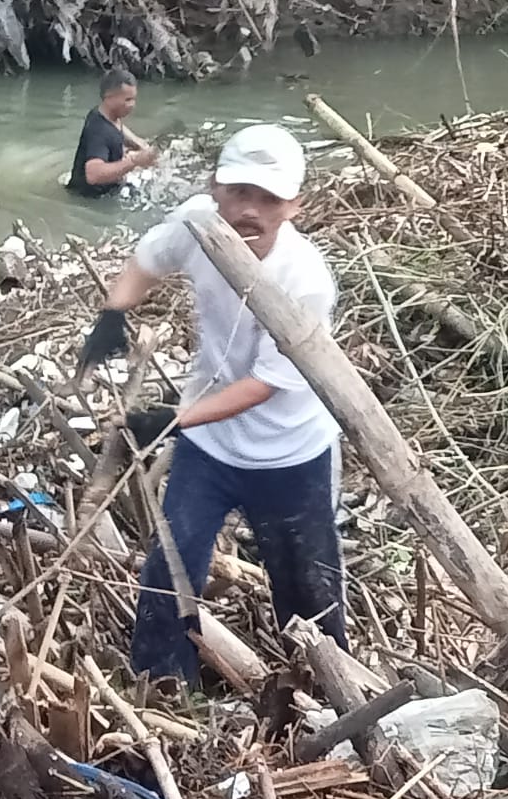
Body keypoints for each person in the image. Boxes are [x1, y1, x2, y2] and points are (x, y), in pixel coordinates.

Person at [76, 124, 347, 682]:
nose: (251, 210)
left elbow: (265, 386)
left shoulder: (306, 280)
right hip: (210, 446)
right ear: (215, 187)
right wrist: (113, 313)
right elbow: (146, 261)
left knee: (306, 589)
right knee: (171, 565)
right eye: (239, 192)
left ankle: (323, 687)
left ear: (295, 205)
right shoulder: (197, 223)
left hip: (290, 454)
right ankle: (165, 683)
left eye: (269, 198)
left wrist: (174, 419)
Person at [68, 67, 158, 198]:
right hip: (92, 199)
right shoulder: (99, 130)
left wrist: (139, 144)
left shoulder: (103, 114)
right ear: (108, 98)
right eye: (128, 100)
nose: (133, 105)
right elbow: (93, 175)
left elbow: (118, 128)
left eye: (134, 99)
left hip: (108, 188)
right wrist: (134, 161)